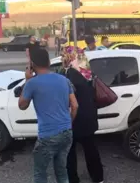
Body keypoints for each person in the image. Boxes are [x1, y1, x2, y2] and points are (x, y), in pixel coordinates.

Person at [18, 48, 78, 183]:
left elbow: (22, 105)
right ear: (49, 62)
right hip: (67, 133)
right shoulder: (64, 79)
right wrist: (69, 123)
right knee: (62, 171)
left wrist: (27, 80)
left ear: (32, 64)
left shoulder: (32, 83)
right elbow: (75, 106)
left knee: (40, 173)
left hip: (47, 136)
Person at [59, 46, 104, 183]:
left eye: (63, 56)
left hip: (74, 117)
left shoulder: (67, 75)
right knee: (91, 149)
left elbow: (67, 100)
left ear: (68, 57)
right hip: (89, 118)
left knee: (70, 153)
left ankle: (73, 179)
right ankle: (98, 178)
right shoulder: (87, 73)